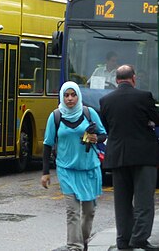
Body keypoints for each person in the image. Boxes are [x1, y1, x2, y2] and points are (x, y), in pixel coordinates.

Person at [99, 65, 159, 251]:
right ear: (133, 78)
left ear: (117, 80)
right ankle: (140, 239)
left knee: (122, 202)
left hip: (118, 157)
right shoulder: (144, 97)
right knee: (144, 201)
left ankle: (123, 241)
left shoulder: (105, 100)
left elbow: (107, 127)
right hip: (144, 156)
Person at [41, 81, 107, 251]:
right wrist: (45, 172)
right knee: (72, 211)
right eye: (66, 95)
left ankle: (83, 240)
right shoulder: (55, 116)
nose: (70, 98)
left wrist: (95, 138)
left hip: (89, 169)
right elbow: (48, 144)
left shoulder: (89, 113)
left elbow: (103, 134)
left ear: (78, 96)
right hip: (66, 169)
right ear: (62, 97)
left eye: (73, 95)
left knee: (89, 210)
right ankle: (74, 246)